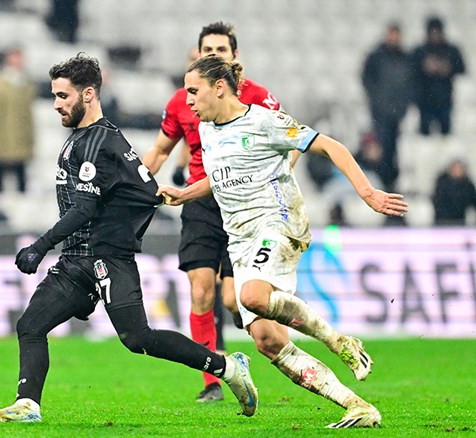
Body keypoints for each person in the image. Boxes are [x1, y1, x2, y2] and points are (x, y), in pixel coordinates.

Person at [0, 53, 258, 423]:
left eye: (63, 96)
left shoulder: (97, 143)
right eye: (54, 96)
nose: (57, 105)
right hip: (78, 260)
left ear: (89, 94)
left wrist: (40, 246)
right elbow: (145, 192)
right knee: (30, 325)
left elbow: (85, 210)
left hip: (106, 258)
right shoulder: (89, 139)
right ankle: (27, 405)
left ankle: (226, 366)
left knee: (137, 338)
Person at [158, 55, 409, 428]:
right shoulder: (207, 130)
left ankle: (338, 341)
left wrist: (367, 193)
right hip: (240, 240)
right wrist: (185, 193)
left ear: (220, 87)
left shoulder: (263, 121)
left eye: (194, 90)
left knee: (251, 296)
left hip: (277, 222)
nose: (188, 99)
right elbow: (222, 177)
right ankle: (358, 406)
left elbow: (330, 146)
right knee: (267, 341)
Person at [142, 21, 282, 403]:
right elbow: (159, 151)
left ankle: (244, 320)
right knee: (200, 291)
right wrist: (132, 183)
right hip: (199, 200)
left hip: (242, 202)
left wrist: (274, 180)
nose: (214, 56)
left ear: (235, 56)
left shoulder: (257, 97)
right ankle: (211, 383)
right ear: (198, 54)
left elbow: (292, 142)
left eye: (221, 50)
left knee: (231, 300)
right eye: (208, 50)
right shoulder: (183, 100)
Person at [361, 22, 413, 191]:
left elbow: (411, 84)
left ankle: (391, 183)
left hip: (398, 113)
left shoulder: (404, 58)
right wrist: (377, 100)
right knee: (380, 148)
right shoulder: (376, 56)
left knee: (394, 150)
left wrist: (403, 105)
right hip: (380, 113)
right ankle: (381, 182)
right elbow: (366, 79)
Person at [0, 47, 36, 193]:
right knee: (0, 177)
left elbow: (28, 115)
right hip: (4, 137)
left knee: (22, 179)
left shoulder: (25, 84)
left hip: (22, 138)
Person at [411, 17, 466, 136]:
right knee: (424, 138)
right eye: (432, 31)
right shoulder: (420, 51)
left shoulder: (451, 50)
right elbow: (409, 70)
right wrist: (424, 66)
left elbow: (462, 68)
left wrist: (449, 68)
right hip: (425, 100)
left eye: (437, 31)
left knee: (446, 136)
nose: (435, 35)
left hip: (445, 99)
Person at [432, 159, 476, 225]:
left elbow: (473, 201)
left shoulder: (468, 185)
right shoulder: (442, 183)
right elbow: (437, 201)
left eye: (459, 168)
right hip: (442, 220)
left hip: (460, 220)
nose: (457, 171)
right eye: (455, 168)